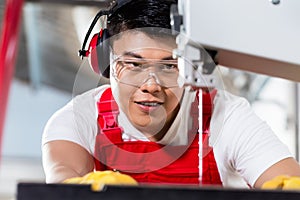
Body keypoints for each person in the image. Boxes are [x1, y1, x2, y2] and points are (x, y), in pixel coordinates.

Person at [42, 0, 300, 188]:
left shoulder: (226, 115)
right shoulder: (78, 119)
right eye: (133, 64)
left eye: (169, 66)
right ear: (105, 63)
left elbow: (286, 183)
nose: (151, 85)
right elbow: (64, 180)